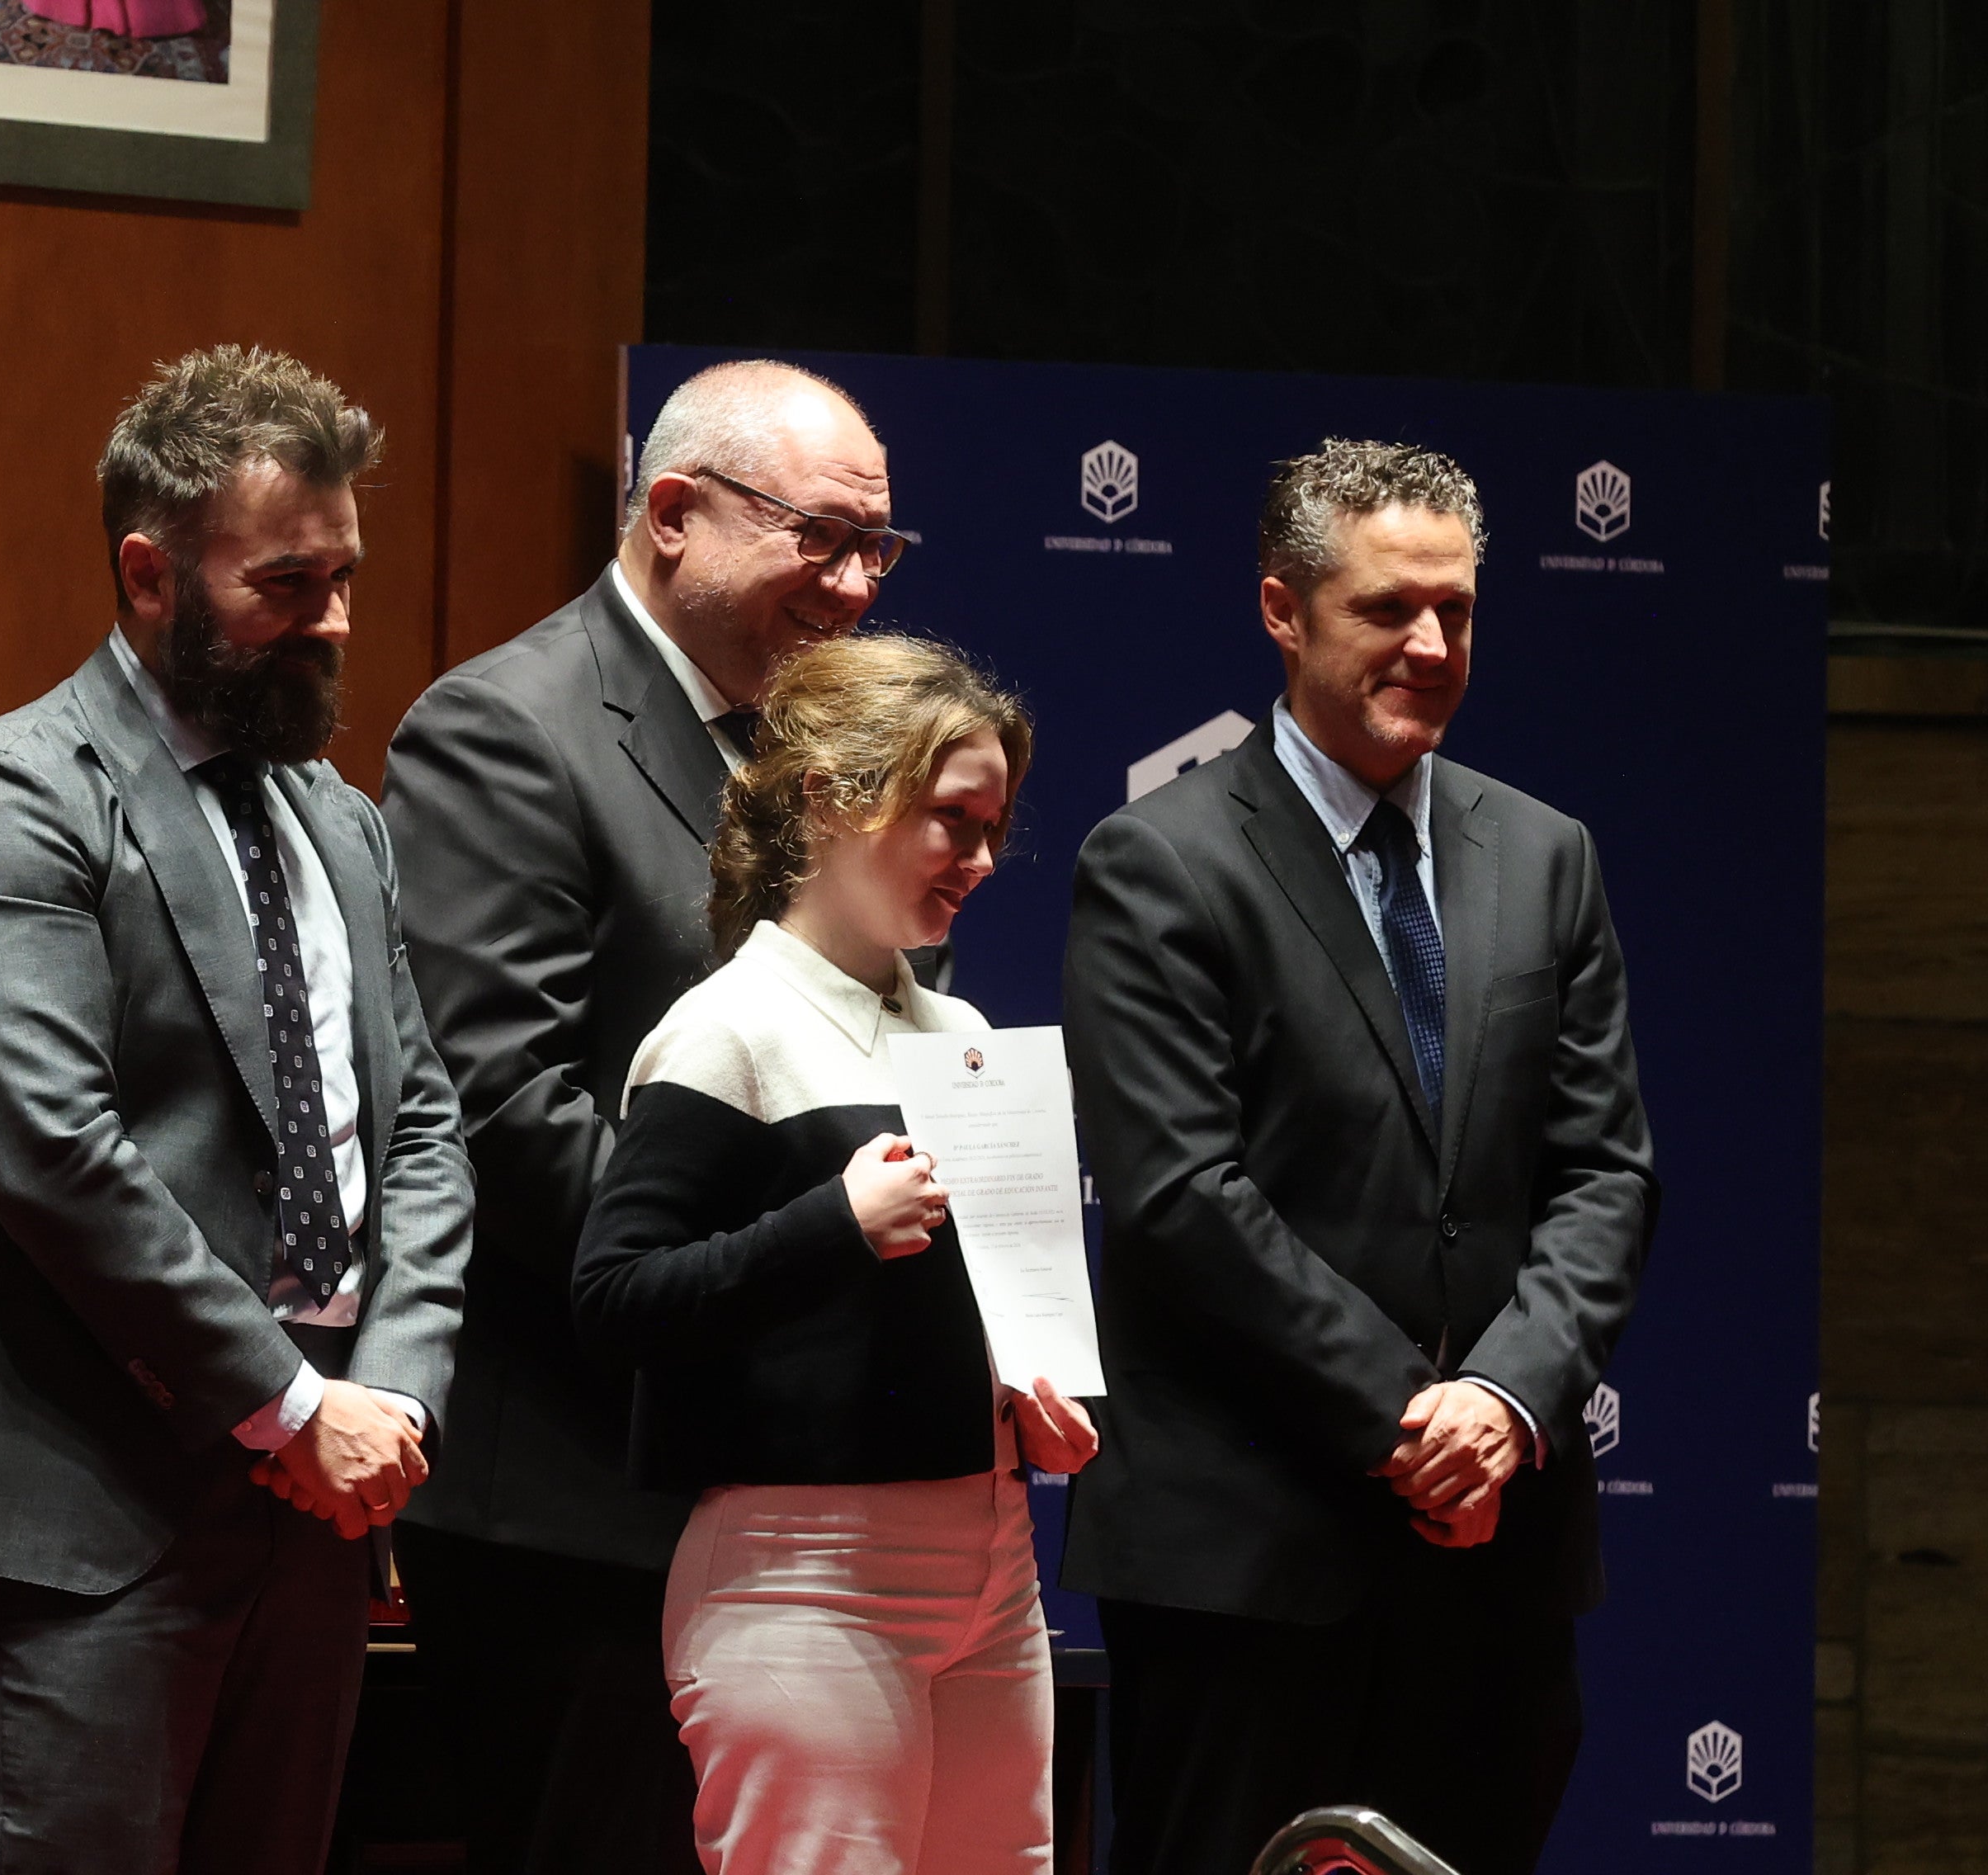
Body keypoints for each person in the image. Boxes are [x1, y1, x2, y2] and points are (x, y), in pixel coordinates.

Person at [0, 344, 473, 1875]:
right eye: (286, 583)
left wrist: (389, 1394)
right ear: (150, 575)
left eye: (343, 576)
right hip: (104, 1502)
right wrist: (285, 1402)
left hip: (329, 1502)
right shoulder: (15, 795)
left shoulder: (341, 820)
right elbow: (55, 1159)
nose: (334, 620)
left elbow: (416, 1125)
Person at [1058, 439, 1659, 1875]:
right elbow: (1178, 1197)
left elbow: (1606, 1174)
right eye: (1389, 610)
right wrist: (1414, 1418)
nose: (1434, 644)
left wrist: (1503, 1406)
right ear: (1283, 610)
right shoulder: (1160, 861)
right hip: (1250, 1563)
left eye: (1457, 609)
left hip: (1494, 1559)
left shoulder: (1546, 852)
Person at [379, 359, 911, 1875]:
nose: (858, 586)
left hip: (766, 1477)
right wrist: (801, 1266)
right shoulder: (505, 729)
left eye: (881, 548)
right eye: (823, 538)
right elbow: (503, 1109)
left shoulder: (796, 750)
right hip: (572, 1495)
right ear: (675, 513)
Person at [571, 635, 1100, 1875]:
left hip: (993, 1565)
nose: (978, 862)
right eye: (950, 821)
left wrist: (1028, 1399)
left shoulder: (960, 1030)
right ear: (827, 798)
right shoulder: (725, 1030)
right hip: (801, 1582)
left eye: (994, 828)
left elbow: (957, 1309)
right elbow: (613, 1300)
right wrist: (830, 1226)